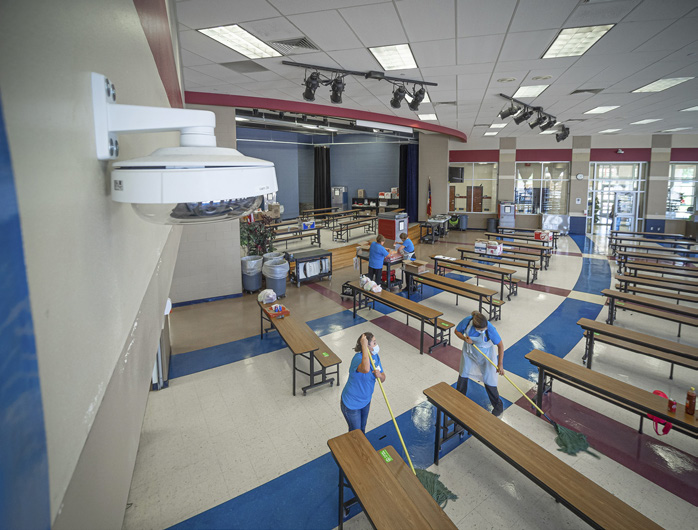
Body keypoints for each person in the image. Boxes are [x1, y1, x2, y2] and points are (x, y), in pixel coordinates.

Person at [454, 310, 505, 416]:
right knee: (463, 374)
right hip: (469, 353)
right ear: (475, 327)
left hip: (486, 355)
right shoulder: (468, 322)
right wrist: (464, 338)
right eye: (481, 330)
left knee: (489, 379)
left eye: (484, 329)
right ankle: (459, 398)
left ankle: (498, 405)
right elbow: (457, 331)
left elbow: (500, 345)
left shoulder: (490, 328)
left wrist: (500, 364)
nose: (483, 331)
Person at [340, 332, 386, 433]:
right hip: (351, 404)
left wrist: (379, 376)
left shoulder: (375, 357)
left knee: (362, 428)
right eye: (374, 343)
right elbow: (365, 369)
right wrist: (364, 346)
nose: (376, 345)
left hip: (366, 401)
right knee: (356, 432)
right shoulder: (357, 359)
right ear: (366, 346)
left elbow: (383, 378)